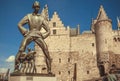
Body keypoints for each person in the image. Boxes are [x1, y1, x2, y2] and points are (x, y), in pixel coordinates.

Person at [14, 1, 51, 74]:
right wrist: (25, 32)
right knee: (22, 48)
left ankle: (49, 70)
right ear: (33, 7)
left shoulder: (42, 18)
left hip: (38, 35)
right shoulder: (29, 16)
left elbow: (48, 30)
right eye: (36, 7)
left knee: (46, 50)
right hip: (30, 34)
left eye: (38, 7)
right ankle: (16, 68)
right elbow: (19, 24)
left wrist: (43, 35)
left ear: (39, 8)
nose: (37, 8)